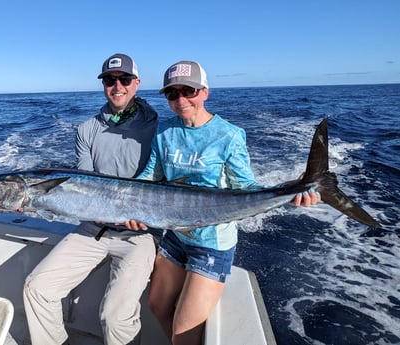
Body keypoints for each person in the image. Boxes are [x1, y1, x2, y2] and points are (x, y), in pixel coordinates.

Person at [125, 60, 321, 345]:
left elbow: (246, 187)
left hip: (211, 243)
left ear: (205, 92)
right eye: (172, 94)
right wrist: (131, 207)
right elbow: (149, 177)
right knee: (157, 306)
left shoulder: (228, 135)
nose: (181, 100)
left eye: (188, 91)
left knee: (183, 330)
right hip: (174, 235)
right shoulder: (164, 130)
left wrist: (289, 191)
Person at [23, 53, 159, 345]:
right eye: (110, 80)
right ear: (103, 85)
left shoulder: (160, 129)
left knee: (114, 316)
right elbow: (86, 189)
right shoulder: (86, 130)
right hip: (92, 229)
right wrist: (41, 203)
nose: (117, 86)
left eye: (124, 79)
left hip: (141, 233)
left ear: (137, 83)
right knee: (37, 288)